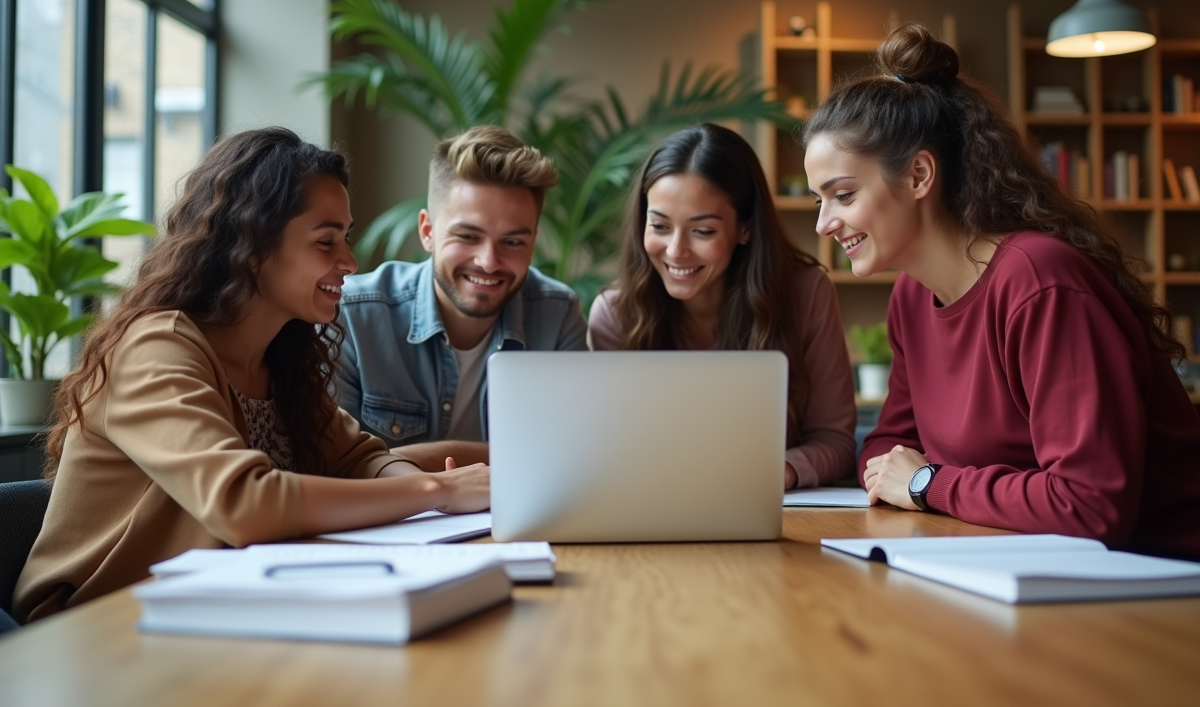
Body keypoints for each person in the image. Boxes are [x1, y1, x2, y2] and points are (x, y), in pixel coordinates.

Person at [14, 128, 488, 623]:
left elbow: (358, 458)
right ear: (254, 244)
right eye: (326, 241)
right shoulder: (155, 347)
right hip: (95, 630)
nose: (348, 261)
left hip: (215, 614)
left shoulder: (279, 356)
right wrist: (437, 491)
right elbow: (243, 504)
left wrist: (420, 500)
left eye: (344, 238)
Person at [804, 23, 1200, 558]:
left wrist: (928, 484)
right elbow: (888, 450)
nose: (825, 224)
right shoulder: (912, 298)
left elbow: (1090, 505)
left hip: (1156, 584)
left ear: (920, 174)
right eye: (818, 201)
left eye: (843, 194)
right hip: (1011, 558)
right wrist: (918, 479)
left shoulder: (1040, 283)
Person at [589, 123, 857, 489]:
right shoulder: (615, 314)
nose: (676, 251)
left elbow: (835, 442)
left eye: (702, 231)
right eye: (660, 226)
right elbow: (606, 452)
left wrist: (782, 470)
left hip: (768, 508)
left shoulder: (806, 293)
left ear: (744, 229)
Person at [336, 126, 588, 465]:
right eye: (468, 236)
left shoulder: (557, 316)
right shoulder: (352, 315)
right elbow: (335, 466)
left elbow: (573, 459)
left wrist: (397, 461)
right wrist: (507, 459)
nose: (489, 262)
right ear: (427, 231)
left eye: (513, 242)